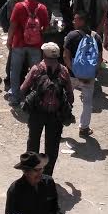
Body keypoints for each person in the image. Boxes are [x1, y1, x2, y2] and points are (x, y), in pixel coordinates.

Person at [19, 42, 74, 175]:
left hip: (37, 113)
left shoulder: (37, 69)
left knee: (33, 143)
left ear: (43, 54)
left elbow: (22, 89)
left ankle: (31, 173)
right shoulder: (64, 71)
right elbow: (70, 94)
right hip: (55, 116)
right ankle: (47, 176)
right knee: (52, 147)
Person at [7, 0, 49, 108]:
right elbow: (45, 27)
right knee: (35, 73)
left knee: (15, 71)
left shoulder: (19, 6)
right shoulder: (42, 8)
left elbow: (13, 26)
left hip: (19, 43)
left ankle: (15, 97)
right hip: (36, 45)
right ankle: (34, 98)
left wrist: (9, 40)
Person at [63, 11, 102, 136]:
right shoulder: (96, 37)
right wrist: (91, 74)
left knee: (65, 99)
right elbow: (99, 59)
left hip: (72, 76)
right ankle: (84, 128)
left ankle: (60, 126)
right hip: (89, 77)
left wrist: (74, 71)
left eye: (76, 19)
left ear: (82, 21)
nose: (73, 21)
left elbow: (65, 56)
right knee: (87, 103)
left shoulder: (71, 35)